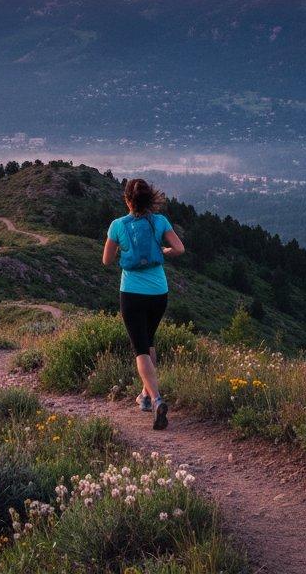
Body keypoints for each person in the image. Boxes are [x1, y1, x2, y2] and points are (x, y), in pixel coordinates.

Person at [102, 178, 185, 429]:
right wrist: (164, 251)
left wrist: (123, 250)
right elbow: (180, 249)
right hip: (159, 293)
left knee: (140, 349)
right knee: (148, 341)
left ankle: (158, 400)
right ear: (149, 199)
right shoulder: (159, 222)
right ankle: (146, 396)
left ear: (127, 199)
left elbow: (107, 260)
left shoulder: (117, 225)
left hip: (132, 293)